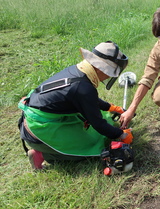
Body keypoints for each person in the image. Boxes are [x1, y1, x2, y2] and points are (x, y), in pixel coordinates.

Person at [18, 41, 133, 170]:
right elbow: (98, 124)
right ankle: (42, 153)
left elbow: (88, 100)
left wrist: (111, 108)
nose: (108, 75)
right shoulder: (83, 88)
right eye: (110, 72)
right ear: (101, 68)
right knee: (87, 149)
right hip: (38, 128)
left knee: (99, 123)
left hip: (42, 113)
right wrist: (121, 134)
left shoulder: (80, 70)